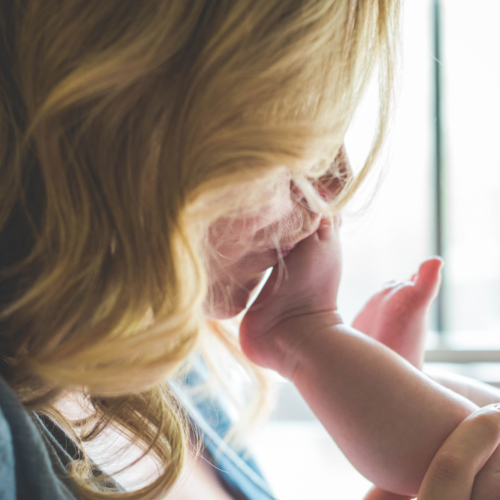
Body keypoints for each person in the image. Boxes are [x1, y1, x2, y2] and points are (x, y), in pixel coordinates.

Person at [0, 0, 498, 499]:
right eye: (292, 136)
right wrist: (309, 329)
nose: (333, 185)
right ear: (136, 111)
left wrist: (365, 379)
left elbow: (470, 447)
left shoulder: (159, 350)